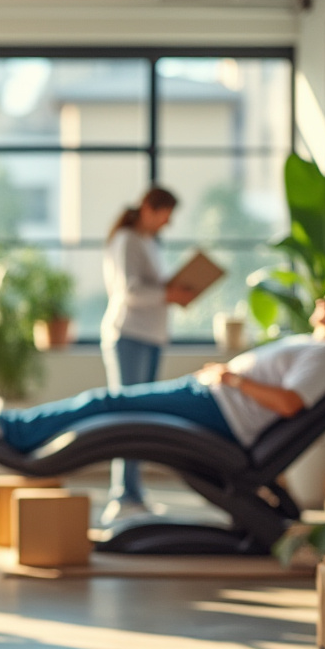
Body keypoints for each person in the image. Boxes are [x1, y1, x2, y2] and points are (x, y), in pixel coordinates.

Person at [0, 281, 325, 458]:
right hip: (213, 398)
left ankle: (12, 429)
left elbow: (290, 403)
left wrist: (232, 379)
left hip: (220, 408)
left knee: (108, 402)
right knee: (110, 405)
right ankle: (16, 428)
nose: (320, 304)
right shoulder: (318, 346)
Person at [99, 186, 191, 524]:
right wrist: (168, 293)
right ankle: (122, 495)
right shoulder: (127, 240)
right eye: (166, 214)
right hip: (129, 335)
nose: (168, 223)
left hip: (152, 335)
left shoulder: (150, 242)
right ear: (149, 208)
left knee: (142, 416)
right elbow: (130, 292)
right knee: (127, 416)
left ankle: (134, 493)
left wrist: (174, 292)